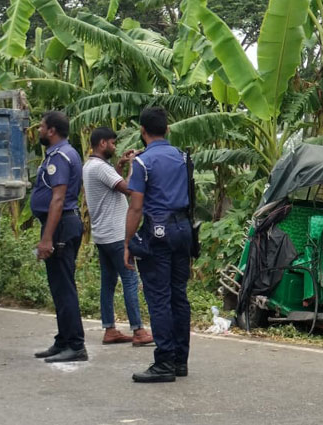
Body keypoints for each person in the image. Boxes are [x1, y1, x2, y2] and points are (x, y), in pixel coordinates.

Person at [124, 107, 192, 383]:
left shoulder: (143, 163)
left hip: (158, 231)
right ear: (167, 129)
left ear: (142, 131)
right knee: (179, 295)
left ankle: (163, 361)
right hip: (183, 229)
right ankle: (179, 361)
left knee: (159, 298)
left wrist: (128, 241)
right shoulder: (182, 157)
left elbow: (136, 207)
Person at [83, 127, 153, 346]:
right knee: (130, 280)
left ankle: (110, 329)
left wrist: (121, 165)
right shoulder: (100, 168)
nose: (115, 147)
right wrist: (134, 165)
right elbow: (130, 189)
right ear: (102, 143)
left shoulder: (91, 166)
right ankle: (138, 331)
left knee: (108, 282)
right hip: (116, 234)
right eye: (113, 143)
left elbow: (109, 186)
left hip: (102, 235)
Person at [31, 111, 88, 363]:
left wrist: (47, 238)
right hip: (61, 224)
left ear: (52, 130)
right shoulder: (60, 153)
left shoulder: (60, 156)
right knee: (59, 286)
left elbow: (58, 198)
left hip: (61, 226)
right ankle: (63, 340)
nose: (39, 130)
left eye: (42, 127)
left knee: (64, 287)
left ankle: (75, 345)